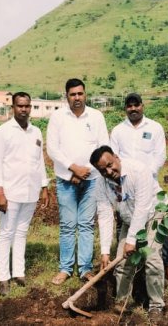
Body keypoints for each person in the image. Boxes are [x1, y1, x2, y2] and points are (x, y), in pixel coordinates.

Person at [109, 92, 168, 283]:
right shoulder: (117, 131)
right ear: (125, 108)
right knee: (124, 224)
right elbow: (113, 158)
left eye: (136, 105)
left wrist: (145, 178)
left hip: (149, 184)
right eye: (129, 106)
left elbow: (160, 156)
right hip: (125, 188)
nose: (133, 109)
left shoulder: (155, 128)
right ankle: (125, 267)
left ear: (142, 106)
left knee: (156, 226)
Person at [91, 145, 165, 322]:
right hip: (129, 218)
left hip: (153, 213)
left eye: (110, 165)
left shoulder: (138, 170)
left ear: (116, 157)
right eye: (103, 170)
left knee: (151, 258)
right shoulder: (101, 184)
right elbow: (105, 215)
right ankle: (122, 301)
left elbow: (142, 207)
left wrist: (131, 240)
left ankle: (156, 305)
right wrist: (105, 252)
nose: (109, 171)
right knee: (123, 262)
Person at [46, 78, 109, 284]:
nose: (77, 98)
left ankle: (85, 268)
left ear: (85, 94)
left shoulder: (97, 116)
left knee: (86, 224)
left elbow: (103, 147)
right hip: (66, 179)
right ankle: (65, 268)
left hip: (92, 180)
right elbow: (53, 148)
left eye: (80, 94)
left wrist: (86, 171)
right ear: (66, 96)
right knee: (67, 224)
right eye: (72, 94)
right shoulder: (57, 117)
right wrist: (73, 169)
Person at [0, 92, 50, 296]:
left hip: (31, 190)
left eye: (27, 106)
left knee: (22, 231)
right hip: (10, 191)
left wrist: (44, 186)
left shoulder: (36, 132)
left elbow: (39, 161)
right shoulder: (3, 131)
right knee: (6, 233)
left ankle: (19, 272)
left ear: (30, 107)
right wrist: (0, 192)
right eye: (19, 106)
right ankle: (3, 278)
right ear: (13, 108)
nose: (23, 109)